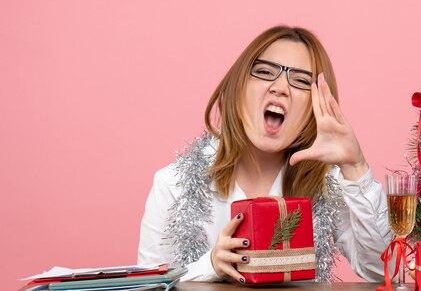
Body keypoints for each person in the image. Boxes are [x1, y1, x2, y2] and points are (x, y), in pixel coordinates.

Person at [138, 25, 391, 283]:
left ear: (315, 109)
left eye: (301, 81)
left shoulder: (329, 186)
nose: (280, 87)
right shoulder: (173, 184)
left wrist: (355, 166)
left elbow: (386, 270)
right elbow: (147, 287)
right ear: (238, 88)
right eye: (264, 72)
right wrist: (211, 265)